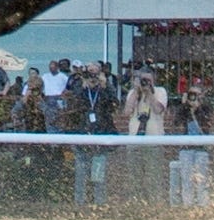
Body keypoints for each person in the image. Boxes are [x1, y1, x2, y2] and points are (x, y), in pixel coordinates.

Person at [67, 66, 118, 206]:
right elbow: (74, 102)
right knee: (81, 173)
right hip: (83, 134)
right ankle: (80, 202)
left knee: (98, 174)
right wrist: (83, 86)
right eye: (90, 73)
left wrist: (105, 86)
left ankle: (99, 202)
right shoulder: (81, 87)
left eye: (96, 73)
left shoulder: (105, 88)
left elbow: (114, 104)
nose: (93, 77)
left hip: (100, 136)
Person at [123, 69, 168, 137]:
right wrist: (136, 90)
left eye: (148, 80)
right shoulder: (133, 93)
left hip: (154, 139)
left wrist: (149, 92)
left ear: (153, 80)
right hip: (134, 138)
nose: (146, 82)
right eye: (143, 80)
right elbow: (127, 112)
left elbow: (158, 110)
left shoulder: (160, 91)